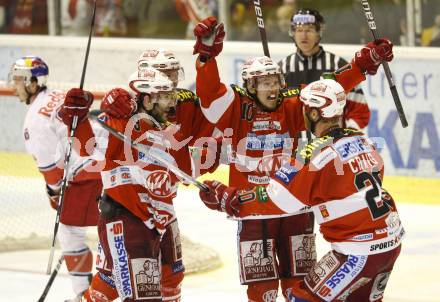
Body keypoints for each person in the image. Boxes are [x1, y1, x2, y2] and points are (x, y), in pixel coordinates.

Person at [192, 16, 393, 302]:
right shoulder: (235, 108)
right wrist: (207, 56)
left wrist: (362, 64)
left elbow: (329, 88)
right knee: (262, 292)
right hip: (255, 213)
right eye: (264, 83)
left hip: (295, 212)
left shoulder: (290, 105)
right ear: (250, 86)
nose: (272, 88)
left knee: (299, 287)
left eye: (275, 81)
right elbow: (209, 95)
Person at [60, 67, 215, 302]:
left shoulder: (167, 131)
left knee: (169, 279)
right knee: (141, 296)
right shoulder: (119, 122)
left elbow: (187, 170)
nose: (172, 103)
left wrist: (217, 153)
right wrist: (76, 119)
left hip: (160, 218)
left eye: (171, 95)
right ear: (147, 98)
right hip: (128, 218)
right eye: (165, 97)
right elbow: (87, 148)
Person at [8, 56, 102, 302]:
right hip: (108, 159)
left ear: (32, 83)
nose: (13, 85)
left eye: (18, 80)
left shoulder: (34, 120)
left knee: (70, 232)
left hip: (89, 170)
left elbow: (53, 172)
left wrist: (54, 194)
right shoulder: (56, 95)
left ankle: (86, 294)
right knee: (111, 226)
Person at [279, 8, 370, 131]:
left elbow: (359, 110)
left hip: (333, 144)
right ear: (293, 33)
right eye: (299, 30)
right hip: (296, 147)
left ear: (318, 33)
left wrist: (347, 136)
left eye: (309, 30)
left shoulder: (338, 65)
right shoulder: (283, 69)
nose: (303, 35)